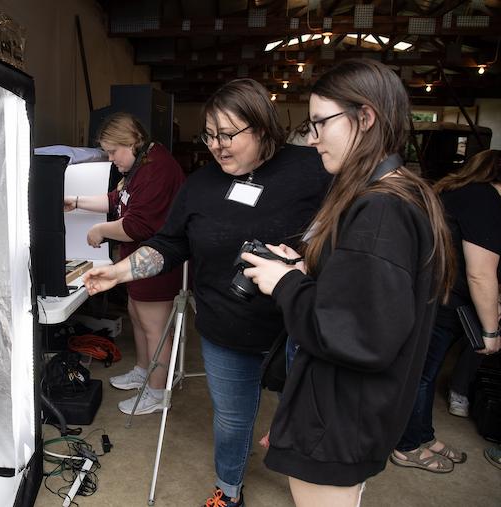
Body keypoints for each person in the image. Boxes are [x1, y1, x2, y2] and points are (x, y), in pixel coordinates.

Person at [82, 79, 331, 507]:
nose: (217, 146)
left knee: (309, 422)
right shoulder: (199, 185)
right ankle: (229, 492)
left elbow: (350, 227)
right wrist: (120, 272)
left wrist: (311, 261)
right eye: (210, 135)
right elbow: (170, 243)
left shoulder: (313, 168)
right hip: (225, 327)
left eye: (229, 135)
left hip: (299, 330)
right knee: (232, 421)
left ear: (263, 127)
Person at [242, 59, 455, 506]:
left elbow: (357, 335)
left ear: (365, 116)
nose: (313, 139)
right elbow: (369, 298)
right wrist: (305, 271)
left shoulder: (381, 210)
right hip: (348, 414)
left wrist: (285, 284)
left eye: (321, 123)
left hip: (339, 421)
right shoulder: (402, 192)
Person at [64, 112, 185, 415]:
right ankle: (144, 372)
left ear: (132, 142)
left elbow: (137, 226)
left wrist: (100, 230)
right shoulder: (140, 166)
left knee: (155, 327)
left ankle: (157, 392)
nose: (110, 158)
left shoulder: (157, 170)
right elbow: (116, 200)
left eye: (113, 151)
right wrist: (77, 201)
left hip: (158, 261)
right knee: (137, 315)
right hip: (137, 261)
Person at [390, 149, 501, 472]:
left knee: (424, 373)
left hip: (429, 295)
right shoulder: (485, 202)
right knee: (421, 376)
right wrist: (491, 331)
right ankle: (407, 445)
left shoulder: (459, 191)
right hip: (441, 300)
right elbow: (480, 273)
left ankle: (423, 435)